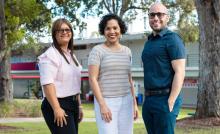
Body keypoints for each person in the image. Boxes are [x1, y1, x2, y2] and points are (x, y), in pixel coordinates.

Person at [88, 14, 139, 134]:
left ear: (120, 29)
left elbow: (129, 79)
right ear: (103, 31)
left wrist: (134, 103)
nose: (112, 31)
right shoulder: (97, 51)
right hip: (106, 101)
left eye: (115, 28)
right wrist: (102, 105)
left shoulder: (127, 51)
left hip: (126, 101)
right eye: (108, 28)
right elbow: (92, 79)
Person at [141, 3, 186, 134]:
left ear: (167, 17)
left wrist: (171, 100)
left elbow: (180, 72)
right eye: (152, 15)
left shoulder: (173, 39)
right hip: (149, 100)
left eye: (160, 14)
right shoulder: (148, 42)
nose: (155, 18)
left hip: (165, 100)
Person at [38, 18, 83, 134]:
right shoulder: (49, 55)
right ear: (54, 34)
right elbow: (48, 84)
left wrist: (79, 106)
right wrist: (57, 108)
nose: (64, 32)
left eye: (67, 29)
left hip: (72, 104)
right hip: (57, 104)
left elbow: (75, 84)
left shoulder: (71, 55)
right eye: (60, 30)